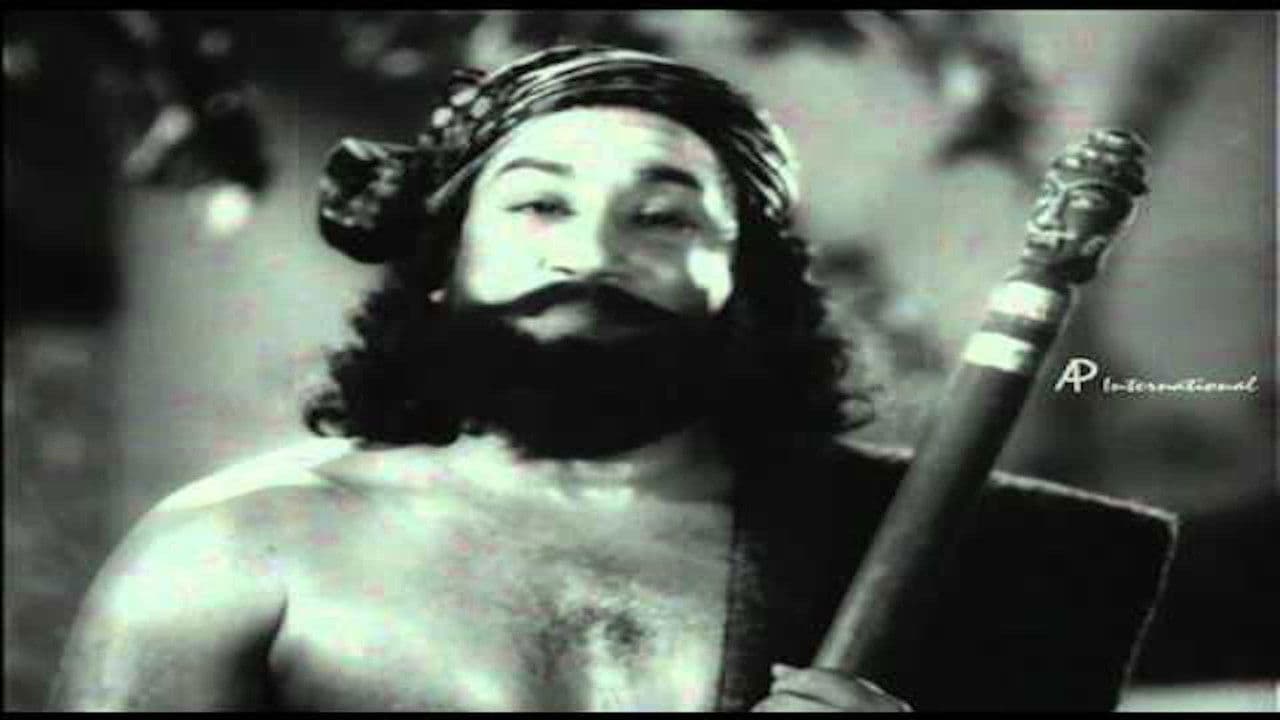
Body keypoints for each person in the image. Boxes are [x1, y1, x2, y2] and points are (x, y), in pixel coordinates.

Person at [49, 45, 1175, 712]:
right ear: (440, 265)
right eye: (538, 204)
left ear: (745, 285)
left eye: (663, 217)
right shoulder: (233, 553)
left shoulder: (976, 565)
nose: (590, 255)